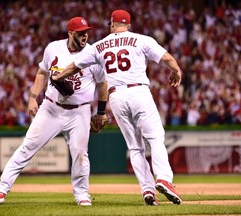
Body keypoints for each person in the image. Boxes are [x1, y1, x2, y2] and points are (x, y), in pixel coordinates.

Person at [52, 9, 183, 205]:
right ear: (128, 25)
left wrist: (57, 76)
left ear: (112, 24)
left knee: (135, 147)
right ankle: (164, 178)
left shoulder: (98, 46)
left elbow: (74, 66)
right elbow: (167, 58)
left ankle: (147, 189)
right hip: (139, 91)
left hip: (117, 97)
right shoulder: (141, 39)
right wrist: (176, 70)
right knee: (155, 138)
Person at [0, 16, 108, 206]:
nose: (85, 36)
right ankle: (2, 187)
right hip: (51, 108)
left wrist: (101, 112)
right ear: (71, 33)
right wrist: (32, 97)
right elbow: (42, 73)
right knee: (27, 147)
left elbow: (103, 85)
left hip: (79, 112)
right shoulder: (53, 48)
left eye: (86, 32)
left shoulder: (93, 54)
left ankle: (81, 194)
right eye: (81, 33)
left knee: (80, 153)